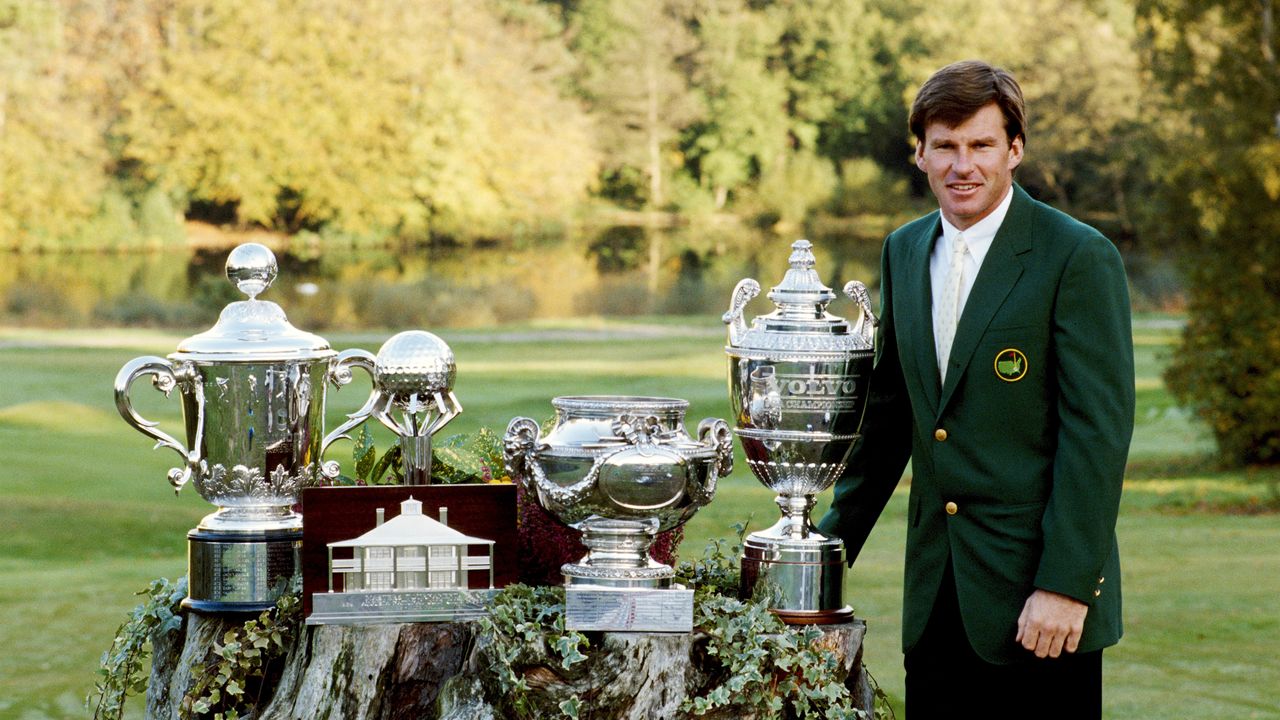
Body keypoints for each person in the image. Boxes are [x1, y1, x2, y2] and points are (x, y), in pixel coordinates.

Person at [817, 60, 1134, 719]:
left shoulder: (1076, 256)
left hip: (1040, 608)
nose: (964, 166)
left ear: (1014, 149)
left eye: (982, 145)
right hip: (936, 600)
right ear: (921, 154)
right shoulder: (903, 252)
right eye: (946, 147)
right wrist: (816, 556)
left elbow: (1096, 437)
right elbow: (887, 425)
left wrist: (1067, 587)